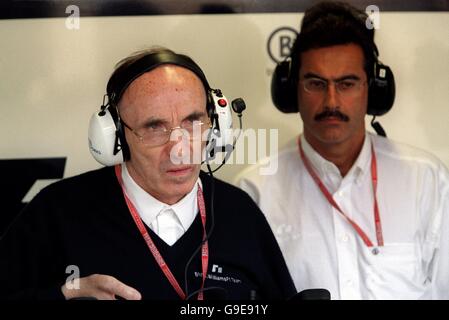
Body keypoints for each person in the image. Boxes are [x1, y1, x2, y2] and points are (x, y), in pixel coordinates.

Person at [0, 47, 296, 300]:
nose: (180, 148)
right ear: (115, 137)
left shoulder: (239, 212)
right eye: (154, 127)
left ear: (217, 124)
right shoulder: (57, 213)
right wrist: (62, 296)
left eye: (193, 120)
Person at [238, 1, 449, 299]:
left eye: (347, 83)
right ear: (291, 90)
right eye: (316, 83)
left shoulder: (426, 180)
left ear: (373, 89)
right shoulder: (254, 191)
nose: (332, 102)